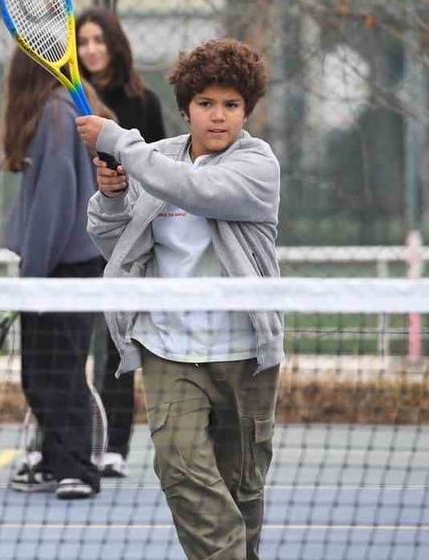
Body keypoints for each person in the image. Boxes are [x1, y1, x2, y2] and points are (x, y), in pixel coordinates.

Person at [76, 38, 283, 560]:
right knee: (181, 472)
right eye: (206, 104)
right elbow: (113, 241)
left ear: (246, 110)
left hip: (244, 355)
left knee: (244, 492)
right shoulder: (156, 159)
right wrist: (113, 196)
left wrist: (119, 143)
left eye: (231, 105)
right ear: (187, 108)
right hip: (168, 349)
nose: (218, 116)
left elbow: (198, 191)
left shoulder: (258, 165)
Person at [0, 48, 110, 501]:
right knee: (40, 371)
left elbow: (55, 200)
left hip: (64, 269)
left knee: (59, 371)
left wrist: (34, 272)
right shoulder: (57, 111)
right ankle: (53, 460)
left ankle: (79, 468)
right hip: (58, 265)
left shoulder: (55, 113)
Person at [74, 7, 167, 479]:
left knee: (117, 346)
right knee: (69, 349)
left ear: (114, 44)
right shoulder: (67, 101)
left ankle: (115, 447)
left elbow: (159, 169)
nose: (91, 49)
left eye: (98, 40)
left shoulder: (144, 101)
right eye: (83, 41)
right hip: (79, 239)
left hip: (128, 242)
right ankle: (68, 442)